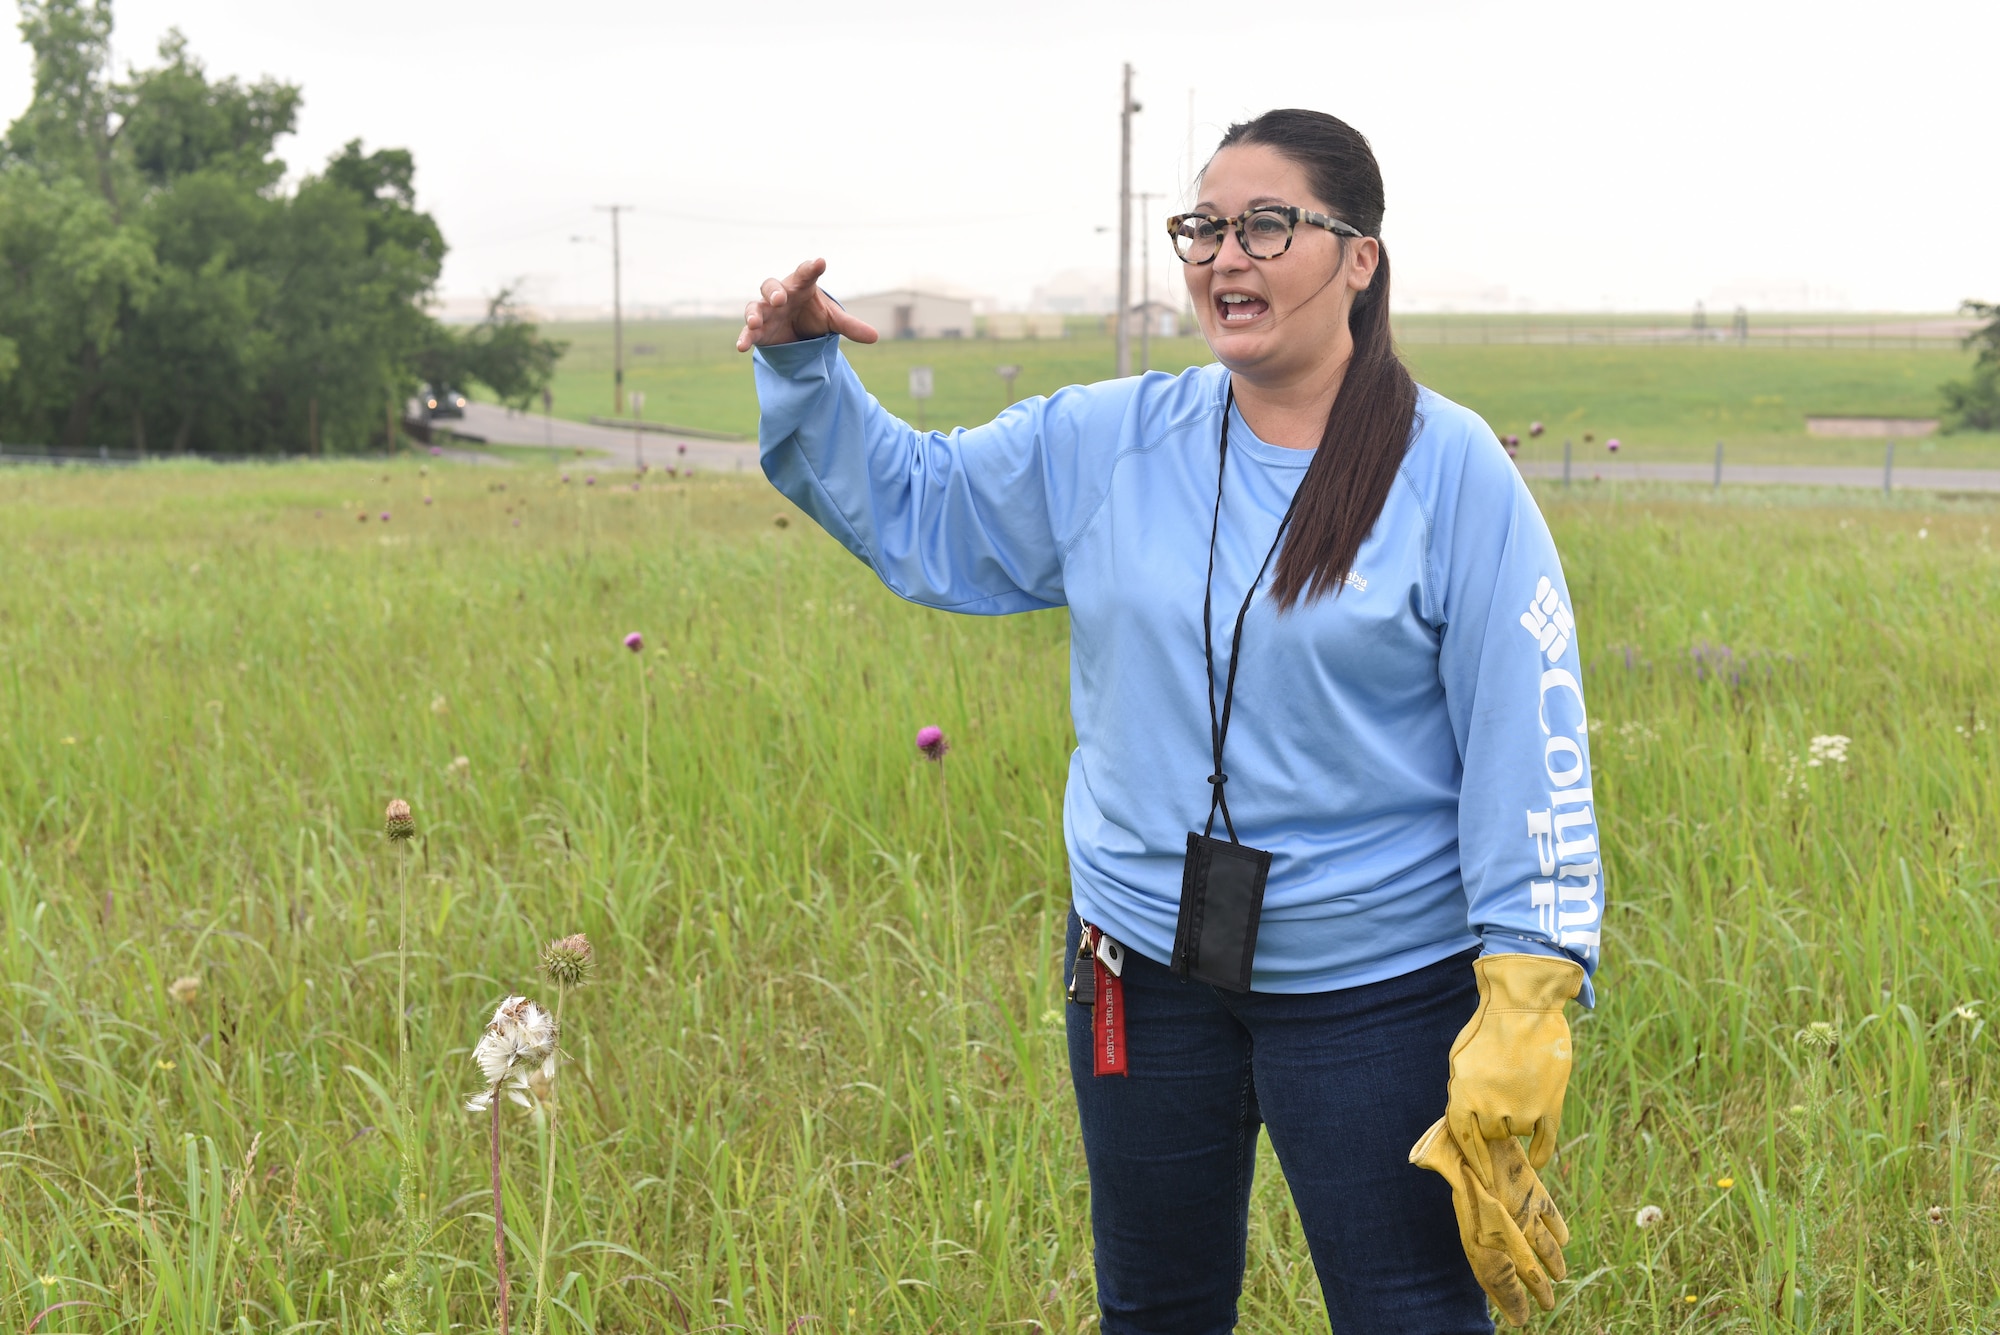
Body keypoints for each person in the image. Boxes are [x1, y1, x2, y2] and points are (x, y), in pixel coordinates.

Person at [738, 108, 1601, 1335]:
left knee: (1406, 1307)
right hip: (1137, 967)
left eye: (1266, 226)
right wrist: (807, 367)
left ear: (1358, 256)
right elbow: (922, 504)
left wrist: (1525, 987)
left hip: (1374, 988)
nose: (1223, 256)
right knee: (1153, 1306)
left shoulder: (1448, 468)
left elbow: (1530, 737)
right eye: (1203, 227)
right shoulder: (1107, 438)